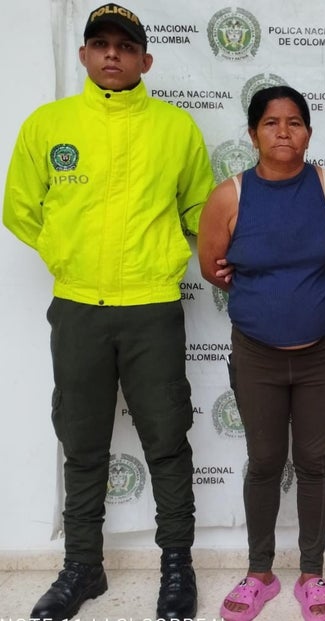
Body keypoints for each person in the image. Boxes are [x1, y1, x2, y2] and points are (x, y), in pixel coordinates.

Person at [2, 4, 215, 620]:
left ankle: (177, 566)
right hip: (78, 310)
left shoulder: (176, 128)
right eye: (101, 44)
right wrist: (66, 256)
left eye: (125, 46)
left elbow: (199, 211)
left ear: (146, 60)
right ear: (84, 55)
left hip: (152, 308)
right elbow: (20, 208)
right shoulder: (49, 125)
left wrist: (178, 253)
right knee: (83, 442)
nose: (112, 54)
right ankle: (82, 568)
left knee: (167, 442)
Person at [198, 85, 325, 621]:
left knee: (315, 462)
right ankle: (260, 574)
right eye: (271, 123)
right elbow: (211, 267)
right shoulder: (229, 197)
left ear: (309, 133)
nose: (283, 132)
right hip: (257, 355)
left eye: (294, 122)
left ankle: (312, 575)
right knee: (265, 461)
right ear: (253, 134)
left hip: (323, 353)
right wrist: (263, 301)